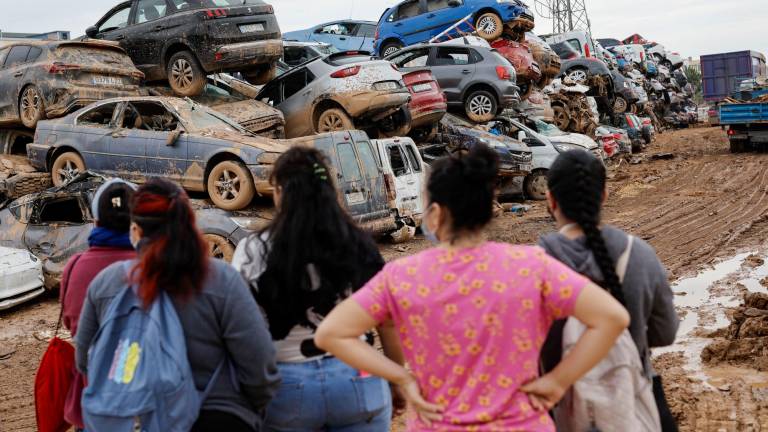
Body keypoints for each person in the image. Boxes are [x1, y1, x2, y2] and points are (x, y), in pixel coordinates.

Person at [314, 144, 631, 431]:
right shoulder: (530, 265)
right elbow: (612, 317)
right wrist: (557, 382)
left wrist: (402, 377)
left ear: (436, 213)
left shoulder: (401, 275)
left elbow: (331, 333)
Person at [75, 179, 280, 432]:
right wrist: (253, 407)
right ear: (189, 224)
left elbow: (86, 360)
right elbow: (258, 362)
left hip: (140, 418)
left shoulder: (106, 284)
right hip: (219, 417)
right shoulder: (222, 280)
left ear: (136, 231)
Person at [232, 147, 401, 431]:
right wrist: (396, 378)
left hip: (286, 387)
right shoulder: (359, 244)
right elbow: (387, 321)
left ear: (280, 193)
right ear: (328, 192)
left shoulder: (253, 251)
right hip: (358, 378)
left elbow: (244, 329)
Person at [539, 150, 679, 430]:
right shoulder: (639, 254)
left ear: (551, 200)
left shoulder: (531, 265)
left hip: (554, 412)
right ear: (603, 195)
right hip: (629, 406)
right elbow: (665, 333)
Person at [59, 179, 137, 430]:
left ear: (95, 221)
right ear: (139, 225)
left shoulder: (75, 266)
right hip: (144, 404)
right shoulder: (157, 269)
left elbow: (72, 324)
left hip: (94, 402)